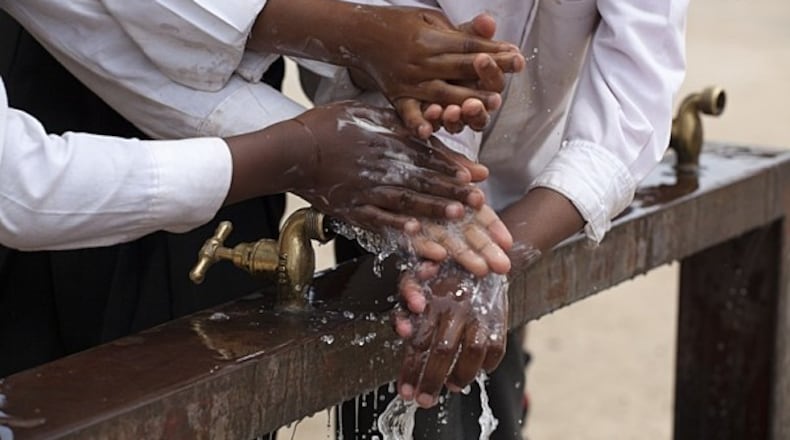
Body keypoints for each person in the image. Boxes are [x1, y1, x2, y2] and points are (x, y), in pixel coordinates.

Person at [0, 0, 520, 383]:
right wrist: (347, 49)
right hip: (60, 115)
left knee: (215, 358)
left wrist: (363, 60)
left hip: (244, 138)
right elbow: (23, 191)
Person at [311, 1, 689, 438]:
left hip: (534, 183)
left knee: (488, 369)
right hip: (397, 161)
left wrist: (488, 259)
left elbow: (632, 107)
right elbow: (375, 42)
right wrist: (466, 242)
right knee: (405, 359)